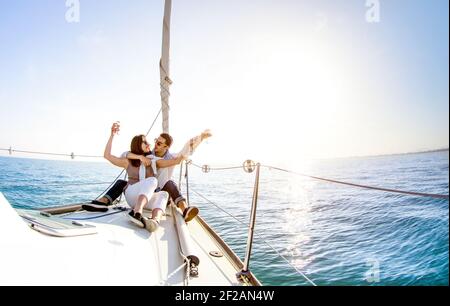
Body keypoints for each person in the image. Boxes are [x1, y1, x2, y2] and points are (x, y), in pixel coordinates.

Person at [83, 129, 211, 223]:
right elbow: (120, 154)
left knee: (166, 189)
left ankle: (156, 220)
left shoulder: (154, 159)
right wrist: (112, 136)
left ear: (167, 147)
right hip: (138, 194)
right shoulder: (142, 157)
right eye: (154, 141)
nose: (154, 144)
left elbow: (181, 155)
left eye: (159, 143)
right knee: (127, 182)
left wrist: (200, 138)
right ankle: (105, 203)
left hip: (154, 194)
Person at [100, 122, 169, 232]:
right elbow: (107, 155)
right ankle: (137, 212)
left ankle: (154, 221)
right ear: (137, 144)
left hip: (145, 198)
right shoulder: (128, 160)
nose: (149, 144)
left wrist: (186, 152)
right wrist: (112, 135)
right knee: (152, 180)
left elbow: (174, 161)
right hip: (132, 196)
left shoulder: (152, 160)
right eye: (145, 142)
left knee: (164, 194)